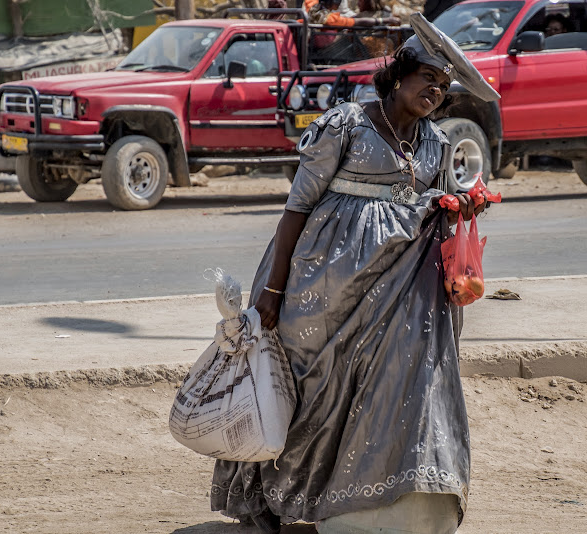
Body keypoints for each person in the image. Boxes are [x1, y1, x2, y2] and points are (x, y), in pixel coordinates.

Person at [210, 13, 500, 534]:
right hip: (318, 290)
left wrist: (458, 208)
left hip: (395, 294)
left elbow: (426, 209)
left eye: (442, 84)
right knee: (306, 389)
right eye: (425, 78)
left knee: (393, 387)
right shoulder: (346, 125)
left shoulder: (435, 142)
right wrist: (273, 290)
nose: (433, 90)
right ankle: (282, 499)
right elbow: (297, 208)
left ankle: (373, 504)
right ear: (398, 74)